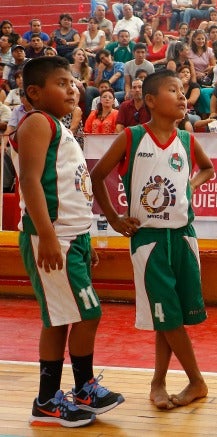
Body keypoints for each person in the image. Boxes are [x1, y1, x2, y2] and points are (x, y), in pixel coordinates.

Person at [11, 56, 124, 428]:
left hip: (69, 237)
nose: (72, 87)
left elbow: (68, 186)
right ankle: (72, 391)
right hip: (53, 238)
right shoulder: (38, 123)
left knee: (62, 319)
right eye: (62, 82)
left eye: (73, 81)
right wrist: (45, 235)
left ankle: (58, 396)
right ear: (34, 92)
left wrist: (84, 239)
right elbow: (29, 181)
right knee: (87, 313)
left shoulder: (57, 125)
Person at [91, 69, 213, 410]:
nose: (181, 95)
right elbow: (98, 175)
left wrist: (190, 186)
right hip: (149, 240)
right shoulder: (132, 137)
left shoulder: (187, 139)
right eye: (173, 90)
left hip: (184, 236)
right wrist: (114, 218)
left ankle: (158, 382)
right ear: (150, 100)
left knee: (170, 318)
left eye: (182, 89)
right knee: (167, 316)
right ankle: (196, 381)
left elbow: (207, 168)